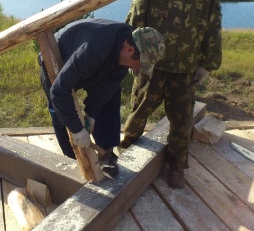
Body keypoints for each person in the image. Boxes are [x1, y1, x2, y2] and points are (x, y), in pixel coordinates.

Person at [120, 0, 222, 188]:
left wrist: (208, 64)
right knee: (140, 110)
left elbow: (213, 19)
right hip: (152, 63)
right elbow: (136, 14)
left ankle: (177, 166)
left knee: (182, 119)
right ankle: (125, 153)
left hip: (187, 64)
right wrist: (134, 55)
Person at [38, 18, 165, 177]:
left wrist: (91, 115)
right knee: (59, 109)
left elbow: (105, 90)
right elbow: (58, 92)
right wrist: (77, 130)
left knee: (110, 97)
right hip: (57, 56)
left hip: (94, 62)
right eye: (139, 63)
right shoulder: (93, 49)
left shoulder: (127, 48)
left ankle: (106, 153)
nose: (137, 68)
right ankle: (73, 157)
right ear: (130, 50)